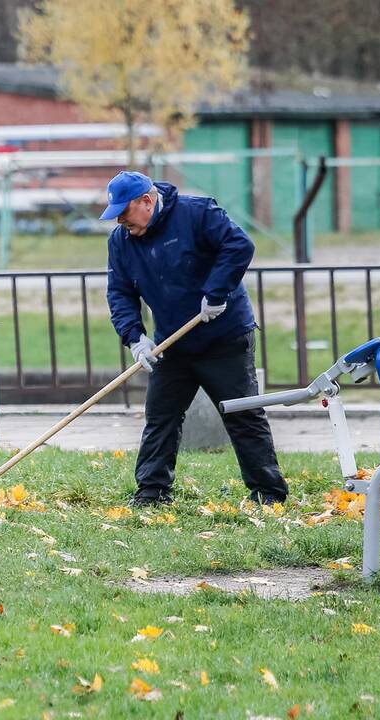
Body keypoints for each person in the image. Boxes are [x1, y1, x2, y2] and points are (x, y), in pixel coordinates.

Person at [101, 170, 288, 507]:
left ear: (147, 200)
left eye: (124, 212)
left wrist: (217, 292)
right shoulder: (122, 241)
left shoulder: (197, 214)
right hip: (173, 343)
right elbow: (119, 292)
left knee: (243, 414)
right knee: (161, 416)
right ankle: (151, 492)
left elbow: (239, 244)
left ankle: (269, 493)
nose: (120, 222)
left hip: (224, 335)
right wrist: (135, 338)